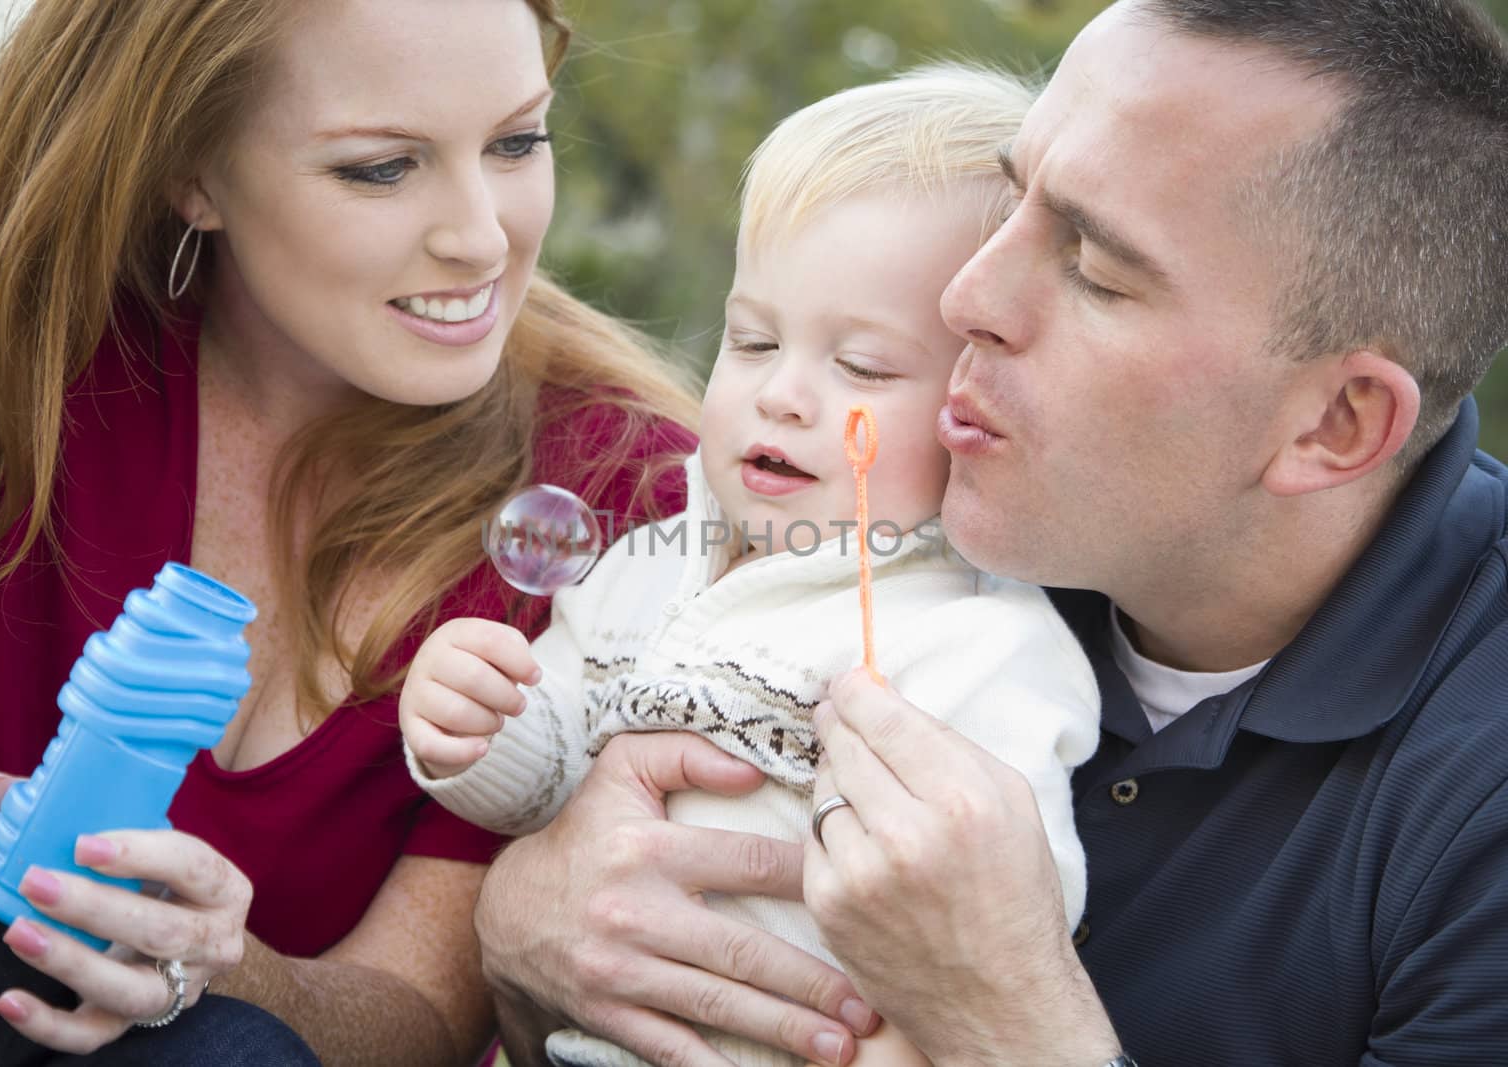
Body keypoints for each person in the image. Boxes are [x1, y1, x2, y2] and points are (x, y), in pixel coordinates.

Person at [469, 0, 1508, 1065]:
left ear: (1335, 424)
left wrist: (1007, 1011)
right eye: (1012, 202)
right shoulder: (900, 517)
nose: (965, 296)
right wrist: (516, 931)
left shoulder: (1477, 808)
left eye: (1096, 270)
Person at [0, 0, 697, 1064]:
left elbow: (421, 1018)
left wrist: (217, 959)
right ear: (191, 168)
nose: (480, 236)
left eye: (517, 141)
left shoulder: (623, 486)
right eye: (381, 167)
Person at [398, 67, 1100, 1067]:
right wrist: (483, 730)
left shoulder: (980, 640)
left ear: (979, 405)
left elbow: (1010, 924)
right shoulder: (640, 565)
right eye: (753, 338)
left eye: (861, 367)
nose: (783, 394)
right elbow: (544, 783)